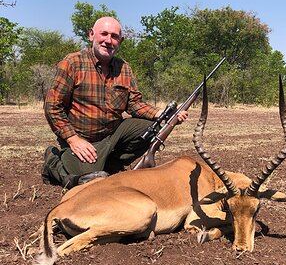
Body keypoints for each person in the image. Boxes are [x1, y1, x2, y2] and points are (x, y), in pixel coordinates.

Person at [42, 16, 188, 189]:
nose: (108, 41)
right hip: (82, 139)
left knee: (153, 127)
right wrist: (73, 139)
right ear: (91, 35)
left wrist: (163, 114)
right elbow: (52, 106)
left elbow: (134, 104)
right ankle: (53, 162)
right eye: (104, 34)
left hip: (112, 136)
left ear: (120, 41)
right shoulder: (72, 63)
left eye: (114, 36)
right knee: (90, 183)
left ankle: (109, 165)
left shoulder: (124, 68)